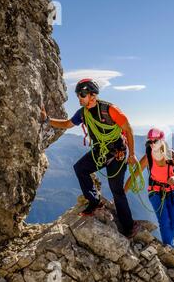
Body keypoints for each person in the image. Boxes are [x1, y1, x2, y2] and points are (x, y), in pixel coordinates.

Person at [40, 78, 141, 238]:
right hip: (100, 151)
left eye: (82, 95)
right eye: (79, 95)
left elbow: (128, 129)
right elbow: (67, 124)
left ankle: (129, 226)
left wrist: (133, 154)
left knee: (117, 190)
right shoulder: (83, 113)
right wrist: (47, 119)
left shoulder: (110, 110)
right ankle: (94, 201)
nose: (79, 98)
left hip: (117, 154)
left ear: (92, 95)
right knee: (80, 168)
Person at [138, 128, 174, 247]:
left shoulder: (171, 154)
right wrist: (122, 191)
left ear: (162, 141)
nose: (152, 144)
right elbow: (136, 172)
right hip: (156, 191)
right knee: (164, 222)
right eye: (149, 142)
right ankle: (168, 248)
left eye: (155, 141)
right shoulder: (149, 156)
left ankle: (168, 245)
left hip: (172, 191)